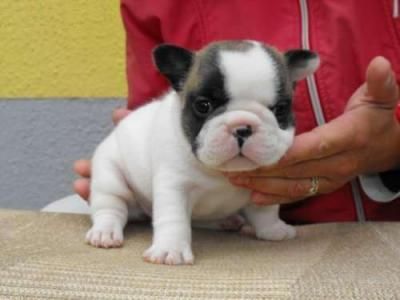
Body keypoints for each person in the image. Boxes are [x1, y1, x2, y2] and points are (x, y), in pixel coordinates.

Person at [72, 0, 400, 224]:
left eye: (276, 108)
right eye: (206, 106)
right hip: (222, 230)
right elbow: (152, 108)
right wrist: (127, 177)